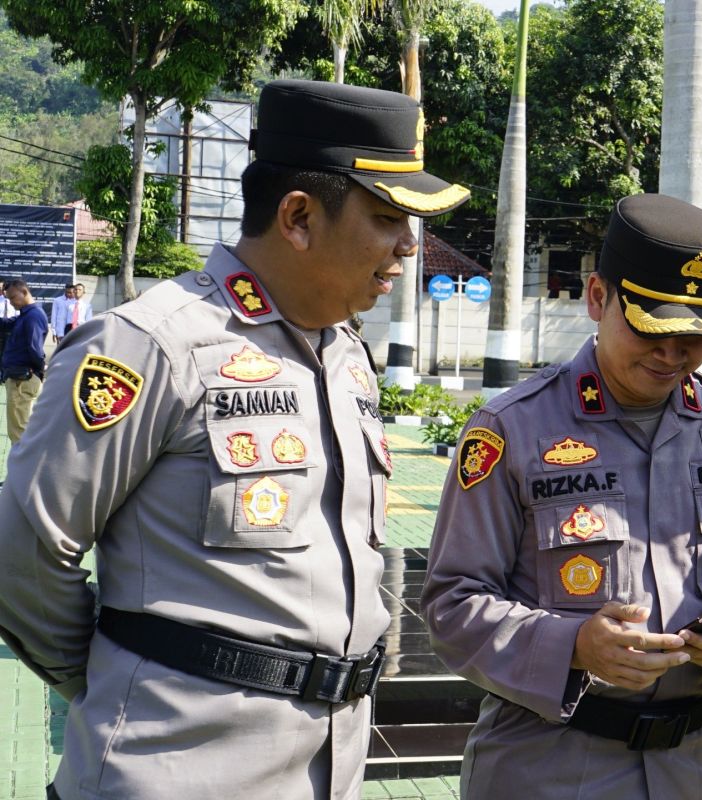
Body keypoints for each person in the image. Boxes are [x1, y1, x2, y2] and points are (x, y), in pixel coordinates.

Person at [0, 79, 469, 800]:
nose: (408, 244)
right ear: (299, 217)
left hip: (327, 767)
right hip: (175, 772)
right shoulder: (153, 345)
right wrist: (124, 677)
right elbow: (22, 549)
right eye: (386, 217)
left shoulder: (346, 356)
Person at [421, 193, 702, 800]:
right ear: (599, 297)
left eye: (695, 337)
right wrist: (573, 646)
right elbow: (452, 603)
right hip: (546, 767)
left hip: (691, 770)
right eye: (653, 329)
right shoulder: (510, 429)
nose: (673, 355)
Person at [0, 278, 48, 442]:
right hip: (21, 377)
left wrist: (39, 372)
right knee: (20, 429)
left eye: (13, 298)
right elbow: (6, 324)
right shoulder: (26, 314)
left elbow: (35, 349)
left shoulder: (32, 316)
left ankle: (23, 467)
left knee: (19, 432)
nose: (11, 303)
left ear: (24, 292)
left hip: (23, 379)